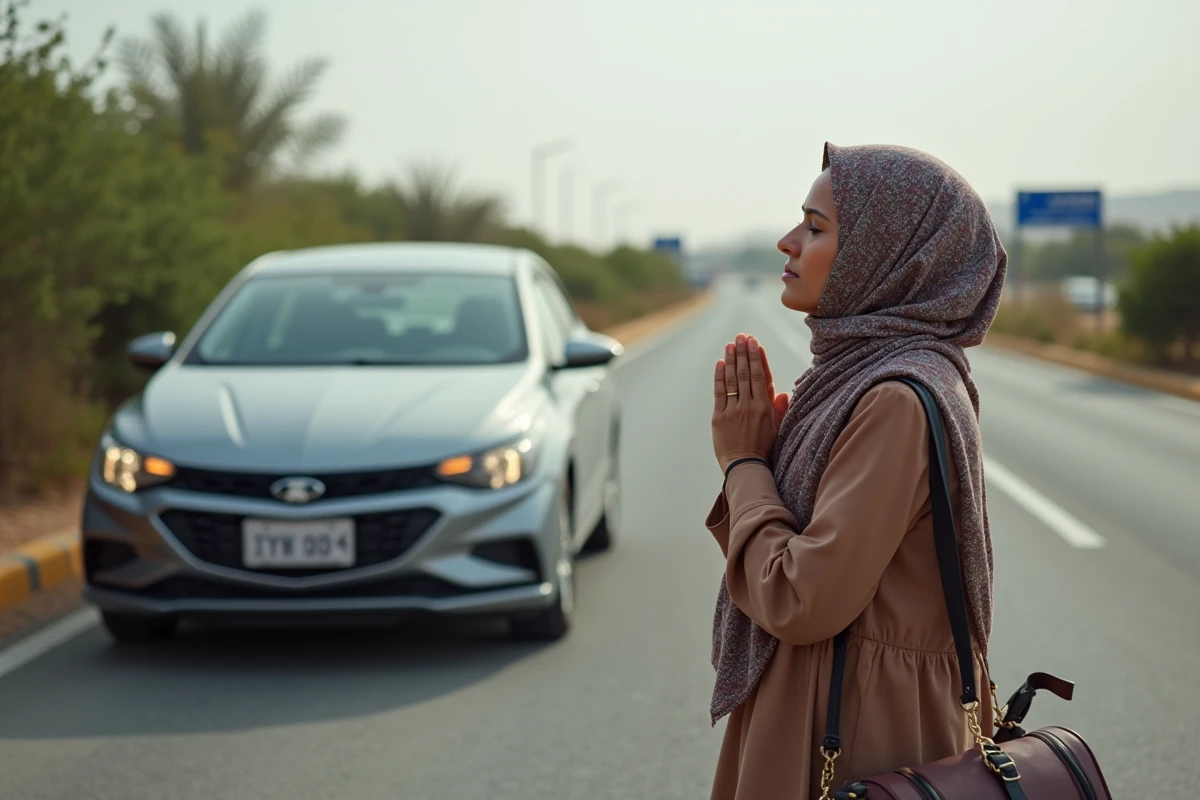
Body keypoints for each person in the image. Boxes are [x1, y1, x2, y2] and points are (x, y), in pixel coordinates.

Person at [705, 142, 1007, 799]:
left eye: (816, 228)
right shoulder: (859, 378)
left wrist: (745, 462)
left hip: (849, 732)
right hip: (836, 706)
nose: (788, 242)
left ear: (888, 257)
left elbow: (802, 598)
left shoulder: (894, 397)